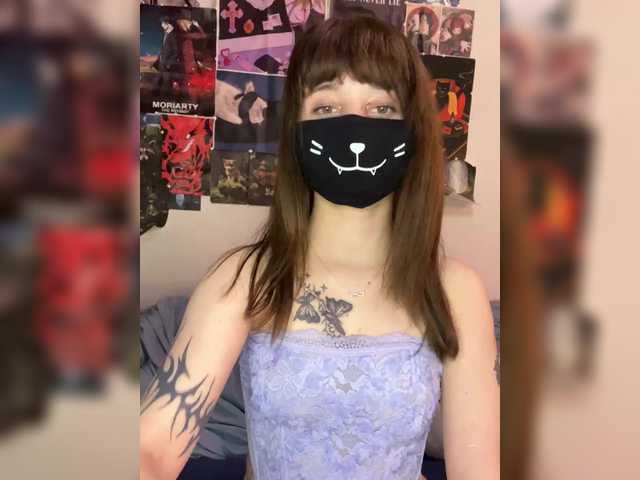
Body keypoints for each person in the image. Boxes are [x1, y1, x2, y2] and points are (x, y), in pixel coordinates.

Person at [140, 15, 499, 480]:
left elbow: (478, 469)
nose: (355, 130)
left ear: (413, 131)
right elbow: (152, 449)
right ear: (296, 128)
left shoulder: (456, 291)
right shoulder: (246, 278)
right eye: (327, 107)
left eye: (382, 108)